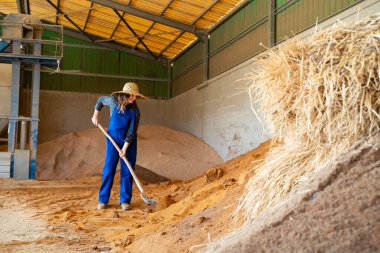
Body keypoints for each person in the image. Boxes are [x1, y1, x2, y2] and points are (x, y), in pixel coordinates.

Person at [91, 82, 145, 211]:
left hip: (129, 143)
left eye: (135, 96)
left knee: (127, 171)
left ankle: (125, 201)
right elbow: (100, 100)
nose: (134, 98)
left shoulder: (135, 111)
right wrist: (95, 115)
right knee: (109, 169)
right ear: (125, 94)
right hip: (112, 139)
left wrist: (124, 149)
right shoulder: (113, 101)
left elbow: (132, 132)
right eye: (132, 96)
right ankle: (103, 199)